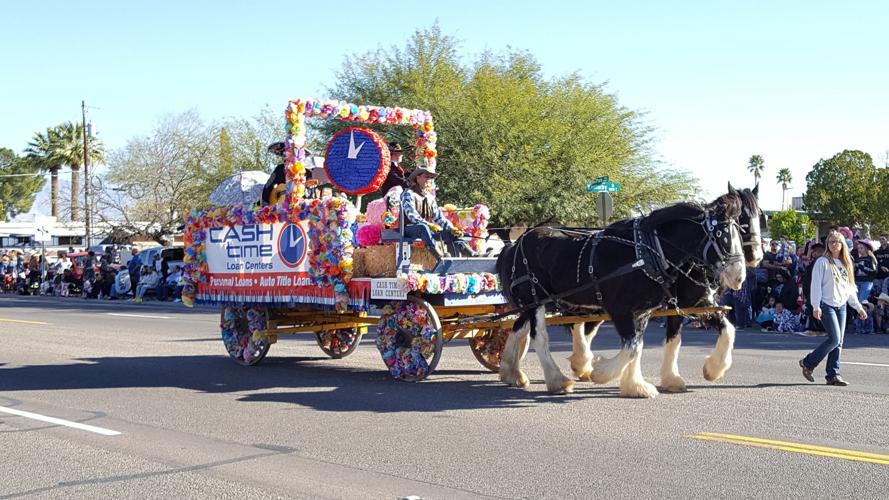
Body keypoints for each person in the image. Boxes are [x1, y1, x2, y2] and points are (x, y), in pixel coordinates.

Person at [799, 230, 867, 386]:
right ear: (827, 245)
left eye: (837, 242)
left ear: (842, 244)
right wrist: (816, 306)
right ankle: (808, 363)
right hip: (826, 304)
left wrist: (858, 307)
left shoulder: (845, 263)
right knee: (834, 339)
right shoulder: (822, 262)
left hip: (841, 305)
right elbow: (815, 285)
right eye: (831, 242)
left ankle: (833, 374)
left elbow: (849, 288)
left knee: (839, 341)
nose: (834, 244)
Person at [399, 165, 476, 260]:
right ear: (417, 178)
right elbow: (412, 216)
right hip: (408, 229)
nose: (429, 179)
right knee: (423, 227)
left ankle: (469, 255)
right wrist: (429, 225)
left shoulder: (430, 198)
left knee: (450, 233)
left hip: (426, 229)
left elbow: (439, 218)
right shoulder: (408, 194)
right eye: (426, 176)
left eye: (431, 177)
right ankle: (440, 257)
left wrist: (452, 228)